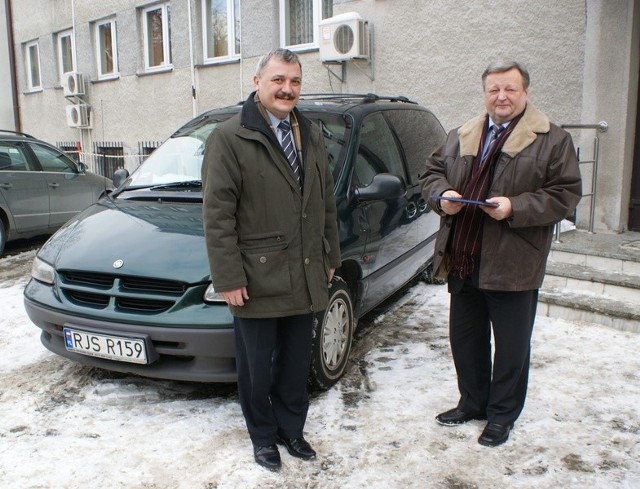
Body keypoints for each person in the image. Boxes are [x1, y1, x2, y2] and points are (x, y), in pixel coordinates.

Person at [420, 60, 582, 447]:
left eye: (510, 88)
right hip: (464, 256)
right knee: (466, 339)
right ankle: (473, 403)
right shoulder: (463, 134)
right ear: (485, 93)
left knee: (511, 347)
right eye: (494, 89)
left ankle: (502, 415)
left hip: (514, 261)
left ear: (525, 92)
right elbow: (430, 172)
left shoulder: (551, 139)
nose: (501, 96)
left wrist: (515, 208)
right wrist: (444, 196)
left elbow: (565, 195)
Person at [201, 48, 341, 470]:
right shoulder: (228, 137)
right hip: (255, 279)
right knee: (257, 367)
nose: (287, 89)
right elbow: (217, 215)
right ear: (256, 82)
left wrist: (329, 253)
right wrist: (228, 276)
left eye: (295, 81)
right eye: (279, 79)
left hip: (304, 270)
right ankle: (263, 436)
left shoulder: (310, 132)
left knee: (296, 362)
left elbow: (324, 201)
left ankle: (291, 430)